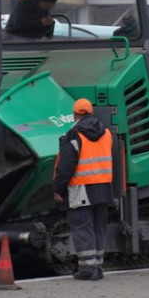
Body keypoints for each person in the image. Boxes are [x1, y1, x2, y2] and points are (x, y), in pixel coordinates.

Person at [53, 98, 114, 280]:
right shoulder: (106, 133)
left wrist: (58, 188)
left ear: (75, 114)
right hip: (103, 187)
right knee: (98, 227)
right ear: (91, 112)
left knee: (82, 227)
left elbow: (66, 165)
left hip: (82, 188)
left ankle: (88, 270)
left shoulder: (74, 134)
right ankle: (98, 267)